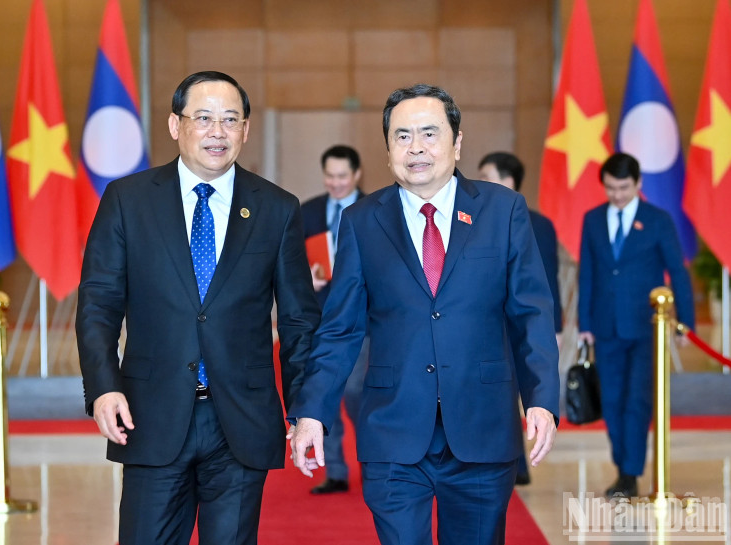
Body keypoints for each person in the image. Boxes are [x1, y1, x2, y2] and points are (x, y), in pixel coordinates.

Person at [288, 84, 559, 545]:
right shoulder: (362, 221)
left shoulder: (502, 210)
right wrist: (312, 411)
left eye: (430, 134)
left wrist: (541, 398)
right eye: (402, 136)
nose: (416, 148)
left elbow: (531, 313)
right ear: (388, 149)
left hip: (481, 428)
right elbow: (340, 328)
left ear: (457, 142)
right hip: (392, 430)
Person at [76, 71, 320, 545]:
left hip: (241, 419)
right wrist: (103, 387)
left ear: (245, 130)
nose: (217, 132)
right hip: (151, 413)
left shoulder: (277, 208)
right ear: (176, 125)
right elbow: (98, 305)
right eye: (203, 118)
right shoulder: (128, 200)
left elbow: (298, 320)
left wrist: (305, 409)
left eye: (230, 120)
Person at [578, 152, 694, 499]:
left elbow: (678, 272)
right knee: (612, 400)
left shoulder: (657, 220)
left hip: (646, 329)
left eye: (624, 188)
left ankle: (630, 473)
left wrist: (685, 322)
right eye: (611, 188)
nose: (617, 195)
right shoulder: (593, 219)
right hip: (605, 327)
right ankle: (623, 469)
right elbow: (588, 274)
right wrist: (585, 322)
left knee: (637, 401)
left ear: (638, 183)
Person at [478, 151, 562, 486]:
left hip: (524, 326)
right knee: (501, 394)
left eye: (486, 176)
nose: (480, 182)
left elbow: (548, 279)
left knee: (523, 391)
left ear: (507, 181)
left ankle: (518, 462)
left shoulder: (539, 224)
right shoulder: (476, 219)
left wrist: (554, 328)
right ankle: (514, 463)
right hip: (490, 327)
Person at [300, 145, 367, 494]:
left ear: (356, 175)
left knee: (357, 392)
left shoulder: (376, 210)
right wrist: (304, 278)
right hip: (321, 317)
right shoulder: (308, 211)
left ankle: (372, 460)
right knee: (325, 394)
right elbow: (289, 263)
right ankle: (336, 471)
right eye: (330, 176)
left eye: (342, 176)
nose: (336, 183)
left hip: (363, 319)